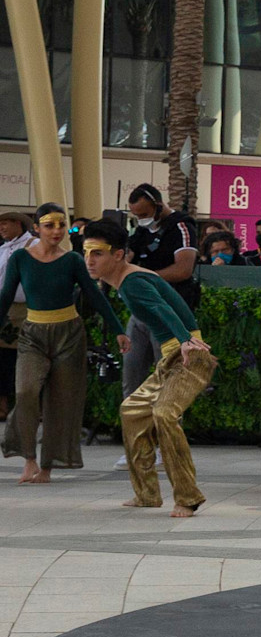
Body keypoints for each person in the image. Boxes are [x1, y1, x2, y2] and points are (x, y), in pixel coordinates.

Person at [80, 220, 214, 517]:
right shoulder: (126, 280)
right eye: (86, 251)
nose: (89, 259)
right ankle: (147, 494)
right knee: (132, 409)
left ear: (118, 255)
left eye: (97, 253)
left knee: (164, 414)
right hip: (172, 358)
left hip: (190, 357)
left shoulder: (132, 282)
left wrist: (185, 340)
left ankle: (188, 497)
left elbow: (161, 309)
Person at [0, 205, 124, 484]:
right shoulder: (20, 258)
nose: (57, 231)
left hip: (69, 334)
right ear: (36, 228)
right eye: (49, 225)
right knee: (26, 391)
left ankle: (47, 466)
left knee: (61, 402)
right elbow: (6, 295)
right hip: (32, 332)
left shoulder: (72, 261)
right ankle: (28, 458)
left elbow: (94, 294)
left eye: (61, 224)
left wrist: (118, 330)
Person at [122, 183, 199, 410]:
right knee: (132, 372)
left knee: (168, 375)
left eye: (144, 214)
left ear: (158, 206)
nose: (142, 219)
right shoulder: (142, 231)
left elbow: (183, 270)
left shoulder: (182, 227)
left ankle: (166, 432)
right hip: (141, 310)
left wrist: (145, 277)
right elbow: (126, 259)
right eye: (136, 216)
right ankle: (133, 425)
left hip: (169, 309)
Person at [0, 210, 31, 422]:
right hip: (4, 307)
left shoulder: (31, 246)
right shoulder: (4, 248)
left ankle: (25, 407)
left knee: (23, 358)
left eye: (5, 224)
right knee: (3, 357)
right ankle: (2, 404)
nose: (2, 228)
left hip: (25, 309)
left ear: (18, 224)